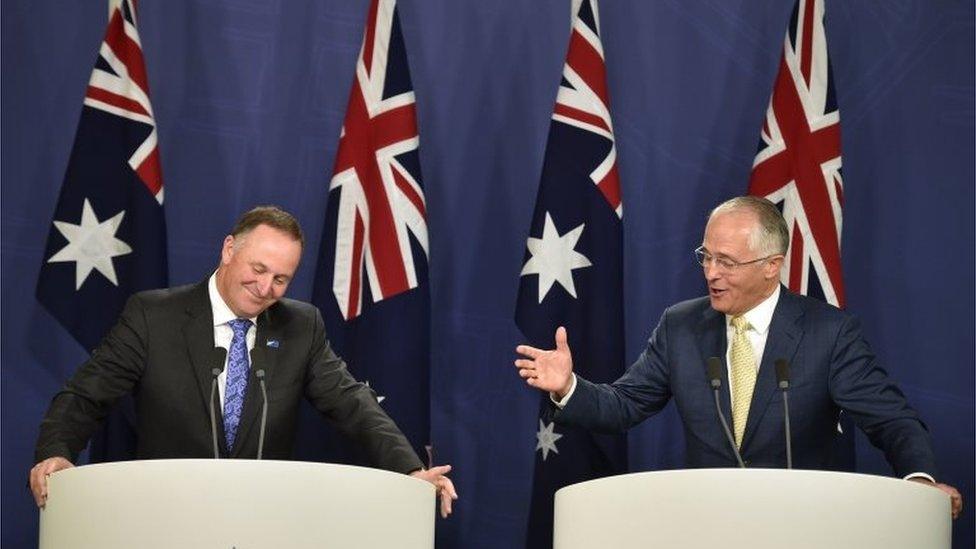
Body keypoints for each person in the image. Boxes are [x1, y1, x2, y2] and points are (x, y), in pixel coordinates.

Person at [515, 196, 962, 518]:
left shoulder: (828, 332)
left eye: (727, 262)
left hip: (804, 525)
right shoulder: (681, 326)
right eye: (706, 257)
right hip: (710, 523)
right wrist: (568, 388)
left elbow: (892, 420)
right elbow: (625, 404)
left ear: (772, 265)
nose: (711, 273)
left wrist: (918, 484)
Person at [31, 206, 457, 517]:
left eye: (281, 278)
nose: (266, 286)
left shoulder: (300, 325)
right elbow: (86, 395)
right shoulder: (152, 316)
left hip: (260, 519)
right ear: (229, 249)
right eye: (258, 268)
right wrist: (56, 452)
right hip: (164, 514)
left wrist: (410, 468)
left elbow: (353, 405)